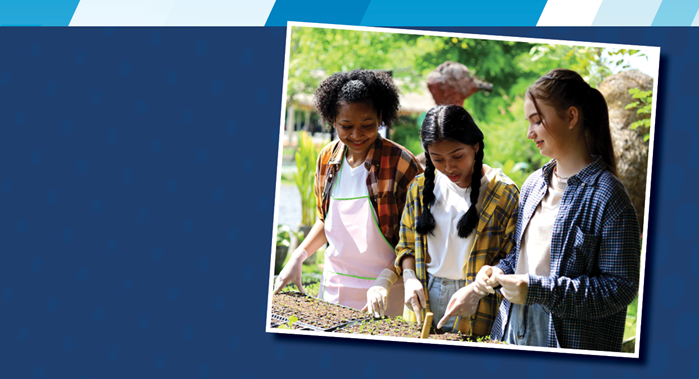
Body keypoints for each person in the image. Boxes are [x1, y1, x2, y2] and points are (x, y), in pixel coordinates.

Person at [444, 68, 640, 351]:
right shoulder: (534, 183)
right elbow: (522, 257)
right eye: (529, 122)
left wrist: (537, 290)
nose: (529, 132)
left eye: (537, 120)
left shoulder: (608, 195)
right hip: (512, 327)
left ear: (571, 117)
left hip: (567, 340)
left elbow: (619, 288)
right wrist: (495, 273)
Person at [273, 69, 423, 317]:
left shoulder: (401, 162)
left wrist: (385, 279)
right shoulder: (326, 159)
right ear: (332, 119)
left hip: (384, 292)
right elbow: (326, 219)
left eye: (367, 125)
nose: (356, 135)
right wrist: (299, 255)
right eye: (346, 126)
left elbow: (416, 237)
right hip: (333, 285)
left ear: (381, 118)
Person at [363, 105, 519, 335]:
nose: (449, 167)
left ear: (475, 146)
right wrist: (409, 277)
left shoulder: (503, 192)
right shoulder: (419, 187)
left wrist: (477, 290)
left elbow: (513, 257)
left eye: (458, 156)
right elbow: (406, 244)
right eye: (437, 159)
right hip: (425, 291)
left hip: (479, 298)